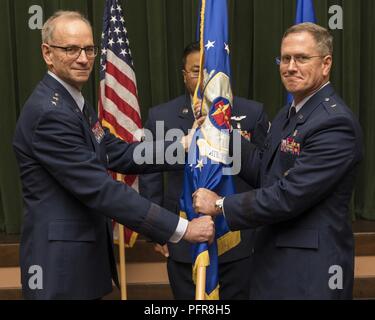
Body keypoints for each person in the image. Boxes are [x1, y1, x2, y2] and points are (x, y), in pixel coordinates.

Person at [12, 11, 214, 300]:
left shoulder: (73, 100)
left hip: (81, 262)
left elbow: (114, 151)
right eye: (70, 49)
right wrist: (182, 228)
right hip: (59, 270)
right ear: (48, 53)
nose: (83, 58)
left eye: (89, 49)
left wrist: (181, 146)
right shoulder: (50, 113)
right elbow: (102, 189)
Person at [192, 23, 363, 299]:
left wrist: (220, 205)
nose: (290, 67)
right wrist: (222, 134)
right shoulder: (287, 113)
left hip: (311, 274)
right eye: (285, 58)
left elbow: (288, 195)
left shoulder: (335, 123)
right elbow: (265, 171)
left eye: (302, 58)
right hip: (273, 263)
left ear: (326, 64)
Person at [139, 42, 269, 299]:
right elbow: (150, 176)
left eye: (211, 70)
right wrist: (156, 230)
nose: (204, 78)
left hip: (237, 239)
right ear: (184, 74)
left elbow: (265, 174)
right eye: (196, 71)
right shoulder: (161, 116)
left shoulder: (252, 113)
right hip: (183, 238)